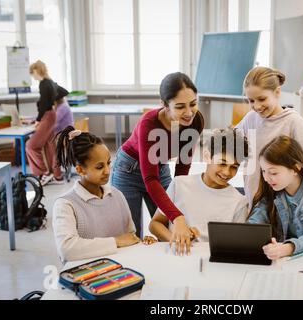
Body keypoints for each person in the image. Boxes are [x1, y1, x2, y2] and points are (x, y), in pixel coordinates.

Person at [111, 72, 204, 255]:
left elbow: (182, 166)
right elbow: (150, 178)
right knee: (131, 234)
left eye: (193, 104)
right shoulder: (149, 124)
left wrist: (178, 197)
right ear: (164, 104)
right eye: (179, 107)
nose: (189, 112)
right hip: (129, 170)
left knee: (168, 225)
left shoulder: (195, 120)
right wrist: (177, 216)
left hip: (159, 169)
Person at [236, 66, 303, 212]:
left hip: (283, 205)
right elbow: (231, 141)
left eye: (262, 99)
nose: (256, 106)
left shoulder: (293, 121)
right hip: (255, 200)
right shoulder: (251, 118)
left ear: (277, 92)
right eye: (251, 101)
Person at [53, 126, 156, 263]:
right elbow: (66, 250)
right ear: (80, 170)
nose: (108, 171)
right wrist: (116, 241)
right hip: (88, 274)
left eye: (108, 163)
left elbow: (130, 236)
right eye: (100, 167)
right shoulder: (65, 204)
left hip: (120, 269)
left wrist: (142, 243)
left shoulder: (117, 195)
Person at [149, 128, 249, 250]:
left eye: (234, 167)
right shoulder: (179, 184)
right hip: (177, 257)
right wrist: (177, 240)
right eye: (222, 163)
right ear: (207, 157)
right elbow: (155, 224)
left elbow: (235, 244)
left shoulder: (239, 202)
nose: (227, 172)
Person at [26, 60, 63, 186]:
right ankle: (57, 176)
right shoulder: (51, 82)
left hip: (47, 116)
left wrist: (38, 120)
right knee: (50, 146)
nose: (33, 76)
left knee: (31, 146)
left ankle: (44, 173)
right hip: (52, 114)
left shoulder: (43, 83)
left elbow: (44, 105)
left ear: (36, 71)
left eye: (33, 73)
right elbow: (62, 93)